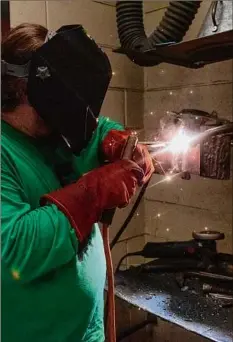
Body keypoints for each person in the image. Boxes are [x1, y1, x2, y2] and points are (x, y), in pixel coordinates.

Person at [1, 23, 154, 342]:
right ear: (23, 89)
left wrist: (115, 139)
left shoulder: (52, 128)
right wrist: (93, 192)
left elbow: (92, 128)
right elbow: (13, 249)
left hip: (88, 330)